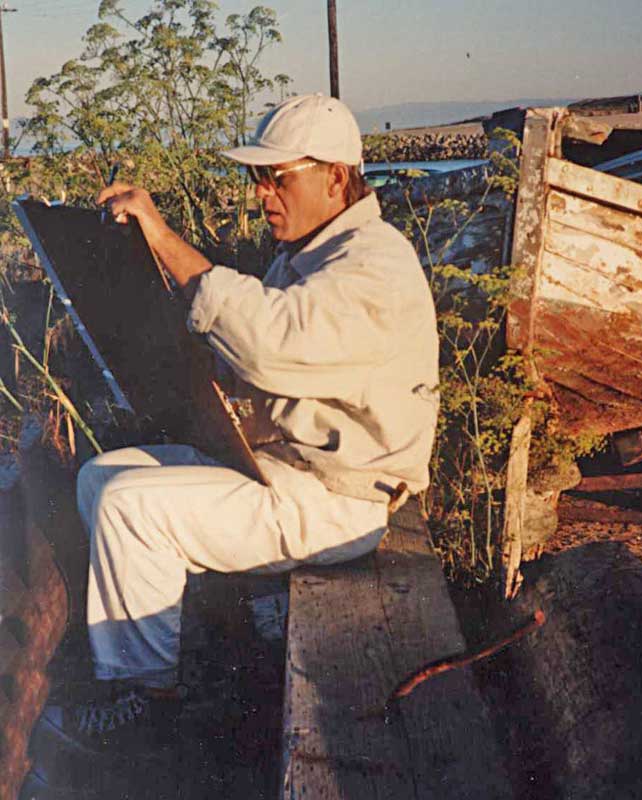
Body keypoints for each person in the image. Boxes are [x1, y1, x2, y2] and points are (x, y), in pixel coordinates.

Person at [42, 93, 439, 756]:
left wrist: (162, 239)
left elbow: (268, 343)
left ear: (335, 176)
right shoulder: (319, 251)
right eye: (257, 178)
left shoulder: (373, 266)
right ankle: (157, 653)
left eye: (277, 178)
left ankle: (149, 705)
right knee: (100, 477)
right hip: (294, 471)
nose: (262, 194)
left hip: (344, 501)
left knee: (129, 506)